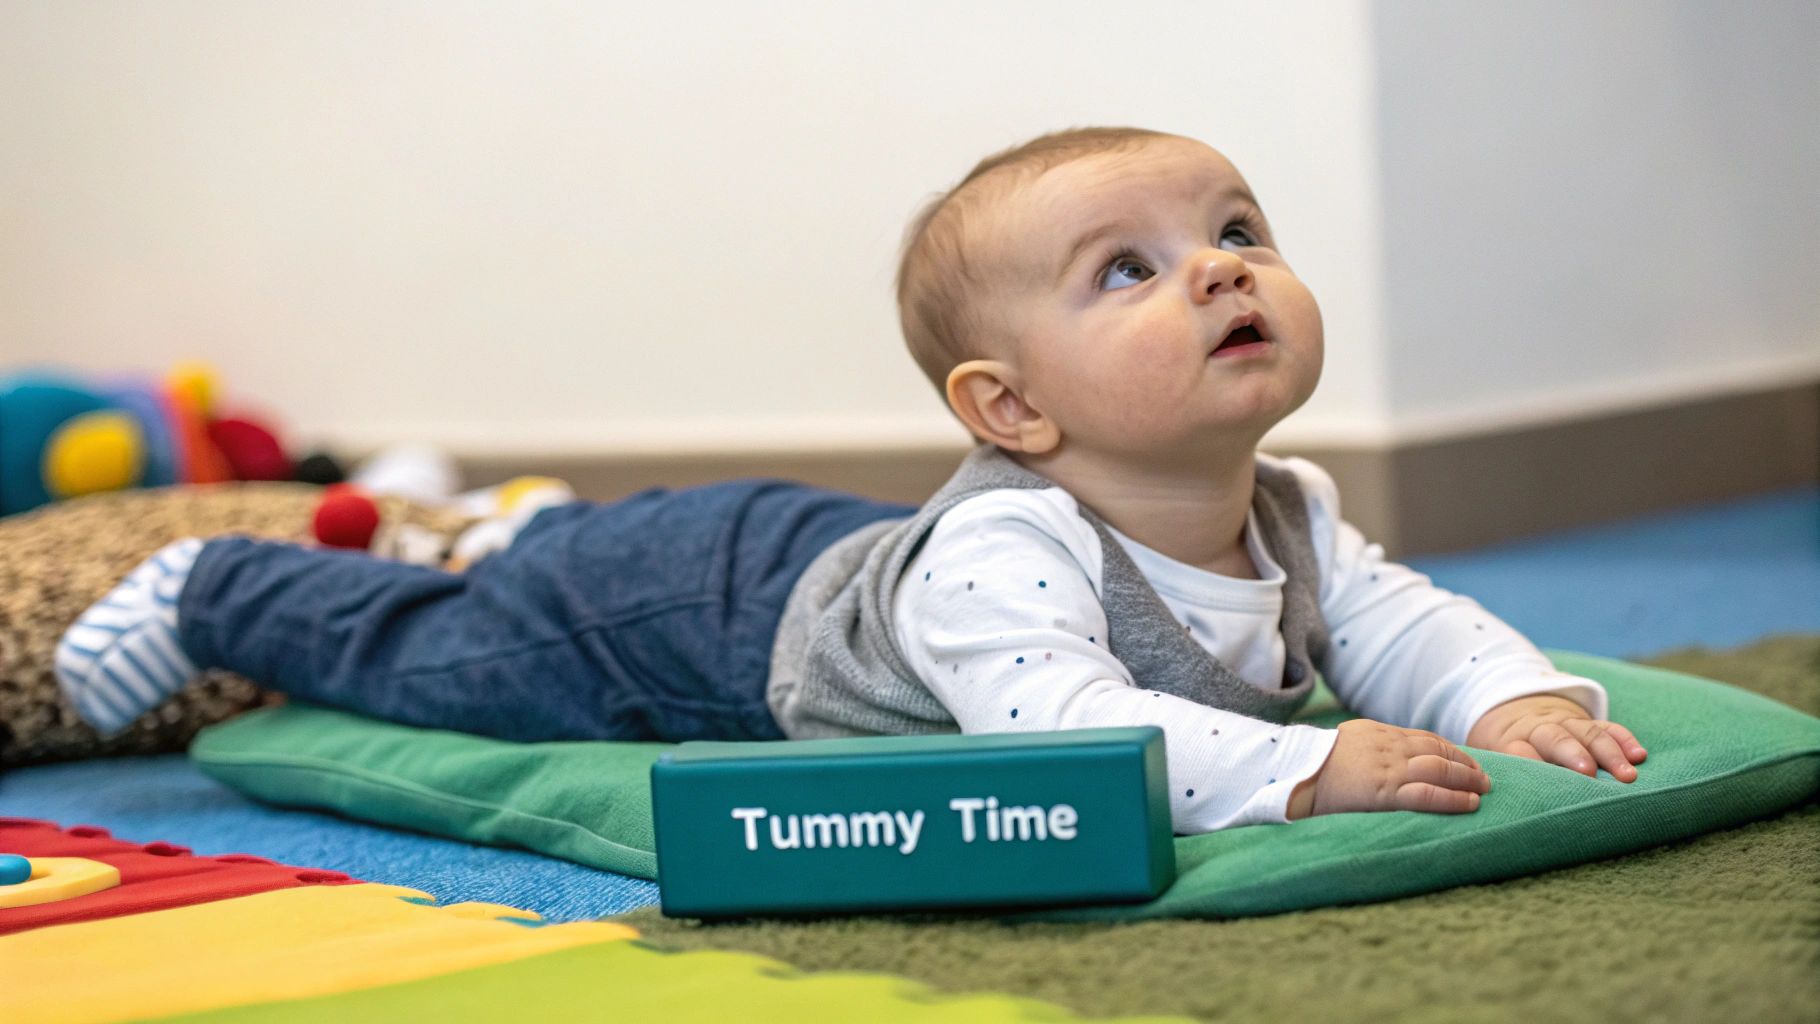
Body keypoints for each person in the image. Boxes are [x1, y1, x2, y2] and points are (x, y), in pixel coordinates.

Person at [56, 126, 1645, 834]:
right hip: (694, 619)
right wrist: (1300, 775)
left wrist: (1503, 703)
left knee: (538, 568)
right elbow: (1082, 743)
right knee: (451, 654)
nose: (1223, 275)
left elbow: (1396, 625)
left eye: (1238, 234)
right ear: (1007, 405)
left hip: (841, 559)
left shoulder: (1289, 504)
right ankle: (229, 580)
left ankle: (523, 528)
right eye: (1131, 270)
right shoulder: (1005, 552)